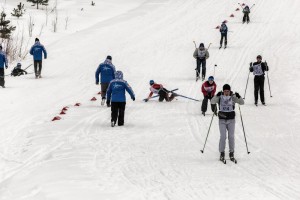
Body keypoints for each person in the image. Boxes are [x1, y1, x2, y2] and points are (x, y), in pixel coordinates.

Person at [211, 84, 244, 162]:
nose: (226, 93)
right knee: (223, 136)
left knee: (231, 136)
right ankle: (222, 153)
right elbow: (212, 101)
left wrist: (239, 97)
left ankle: (231, 152)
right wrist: (216, 95)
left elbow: (242, 103)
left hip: (231, 120)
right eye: (225, 91)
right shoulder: (220, 96)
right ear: (223, 91)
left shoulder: (233, 97)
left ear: (230, 91)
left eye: (227, 91)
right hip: (222, 119)